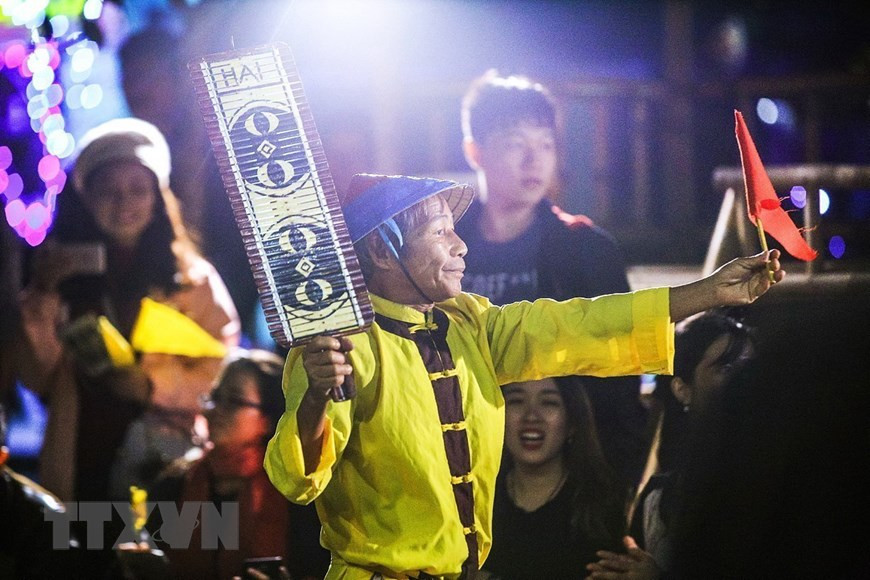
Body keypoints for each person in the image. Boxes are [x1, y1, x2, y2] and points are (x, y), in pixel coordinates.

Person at [263, 172, 783, 579]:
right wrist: (313, 398)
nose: (461, 246)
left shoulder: (471, 323)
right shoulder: (341, 344)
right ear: (381, 250)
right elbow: (297, 479)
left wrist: (707, 293)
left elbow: (575, 326)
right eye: (440, 231)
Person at [14, 117, 240, 502]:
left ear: (157, 198)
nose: (124, 204)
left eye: (138, 190)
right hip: (82, 455)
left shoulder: (194, 278)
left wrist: (151, 384)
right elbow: (35, 379)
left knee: (168, 556)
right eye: (109, 192)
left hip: (169, 462)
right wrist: (42, 293)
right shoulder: (61, 278)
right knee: (82, 556)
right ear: (86, 199)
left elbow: (224, 368)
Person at [456, 70, 648, 487]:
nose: (535, 160)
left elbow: (619, 380)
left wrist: (613, 486)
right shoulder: (440, 250)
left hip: (561, 470)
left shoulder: (587, 251)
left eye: (545, 144)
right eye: (515, 145)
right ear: (476, 152)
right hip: (459, 460)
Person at [587, 310, 756, 579]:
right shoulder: (657, 500)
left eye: (749, 368)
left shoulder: (778, 484)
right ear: (682, 389)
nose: (743, 381)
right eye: (726, 369)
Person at [148, 348, 329, 580]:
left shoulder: (295, 491)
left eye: (233, 400)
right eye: (214, 397)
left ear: (266, 419)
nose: (214, 410)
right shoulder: (175, 484)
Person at [479, 377, 627, 580]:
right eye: (516, 401)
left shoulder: (600, 506)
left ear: (572, 422)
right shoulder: (476, 500)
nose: (531, 416)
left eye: (548, 402)